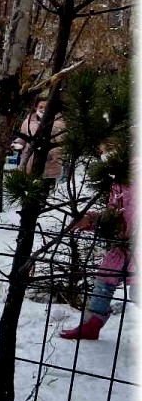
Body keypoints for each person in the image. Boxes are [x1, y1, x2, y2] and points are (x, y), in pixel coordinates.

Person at [60, 149, 133, 341]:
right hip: (122, 246)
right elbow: (114, 215)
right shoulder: (118, 180)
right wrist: (91, 220)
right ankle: (91, 325)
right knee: (104, 281)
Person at [14, 98, 65, 180]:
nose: (43, 110)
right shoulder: (28, 122)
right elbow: (23, 136)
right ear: (35, 108)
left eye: (46, 107)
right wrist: (17, 144)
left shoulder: (59, 124)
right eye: (40, 107)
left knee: (42, 191)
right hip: (28, 164)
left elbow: (62, 144)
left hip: (48, 168)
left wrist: (52, 155)